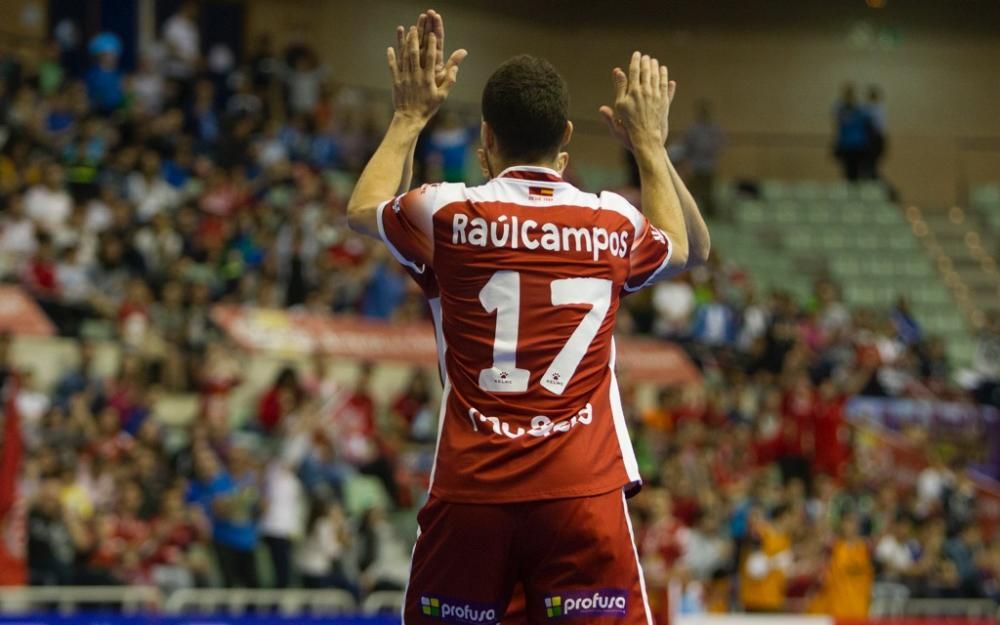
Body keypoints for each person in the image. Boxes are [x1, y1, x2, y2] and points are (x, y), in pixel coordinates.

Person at [346, 10, 709, 624]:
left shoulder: (447, 213)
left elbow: (365, 207)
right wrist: (650, 145)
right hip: (581, 493)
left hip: (472, 492)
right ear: (566, 137)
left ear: (485, 138)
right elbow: (688, 246)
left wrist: (409, 115)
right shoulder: (611, 221)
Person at [682, 100, 725, 217]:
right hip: (695, 166)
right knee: (692, 193)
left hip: (709, 166)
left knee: (708, 194)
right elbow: (687, 146)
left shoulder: (714, 129)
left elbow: (721, 144)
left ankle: (711, 216)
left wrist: (711, 149)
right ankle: (691, 216)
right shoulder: (693, 129)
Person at [833, 83, 872, 182]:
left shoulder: (861, 110)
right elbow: (839, 122)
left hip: (859, 146)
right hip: (846, 146)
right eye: (847, 95)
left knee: (859, 173)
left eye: (850, 95)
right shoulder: (841, 110)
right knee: (848, 174)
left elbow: (868, 124)